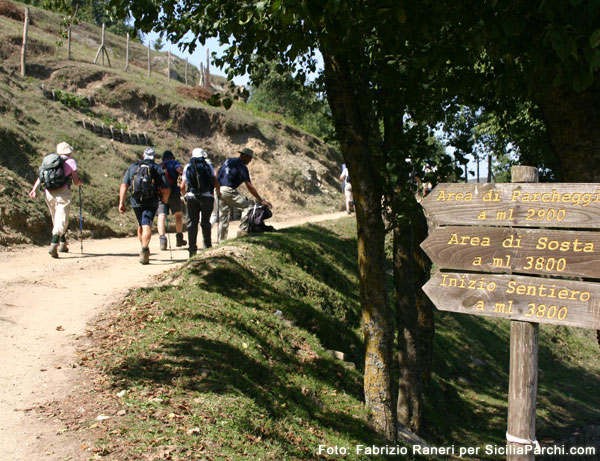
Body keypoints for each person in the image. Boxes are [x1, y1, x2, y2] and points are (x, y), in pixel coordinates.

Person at [28, 142, 83, 258]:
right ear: (69, 152)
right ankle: (54, 243)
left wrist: (34, 189)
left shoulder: (49, 161)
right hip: (63, 192)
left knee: (55, 218)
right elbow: (76, 181)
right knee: (62, 219)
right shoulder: (70, 162)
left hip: (48, 192)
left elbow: (41, 176)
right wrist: (80, 183)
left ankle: (63, 244)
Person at [118, 147, 170, 265]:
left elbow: (124, 185)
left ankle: (143, 246)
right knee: (147, 224)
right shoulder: (157, 168)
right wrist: (164, 200)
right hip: (151, 201)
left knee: (140, 223)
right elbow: (166, 188)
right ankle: (145, 249)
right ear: (154, 157)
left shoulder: (132, 167)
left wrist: (121, 202)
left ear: (143, 156)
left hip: (135, 201)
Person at [217, 147, 272, 241]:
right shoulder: (242, 167)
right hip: (228, 190)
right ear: (244, 156)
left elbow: (217, 173)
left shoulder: (228, 161)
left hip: (219, 189)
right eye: (249, 157)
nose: (250, 160)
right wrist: (261, 200)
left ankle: (221, 241)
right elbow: (249, 186)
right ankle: (242, 231)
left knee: (223, 216)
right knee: (248, 206)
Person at [180, 148, 220, 257]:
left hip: (192, 197)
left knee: (192, 223)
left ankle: (192, 250)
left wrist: (184, 196)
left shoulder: (188, 166)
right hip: (207, 197)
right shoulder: (208, 166)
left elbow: (182, 186)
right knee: (205, 223)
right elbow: (215, 181)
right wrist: (218, 193)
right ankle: (207, 248)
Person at [157, 150, 186, 250]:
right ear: (172, 157)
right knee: (178, 214)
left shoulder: (159, 165)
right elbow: (180, 170)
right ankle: (179, 238)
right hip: (173, 191)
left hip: (161, 192)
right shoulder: (174, 163)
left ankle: (162, 240)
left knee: (161, 216)